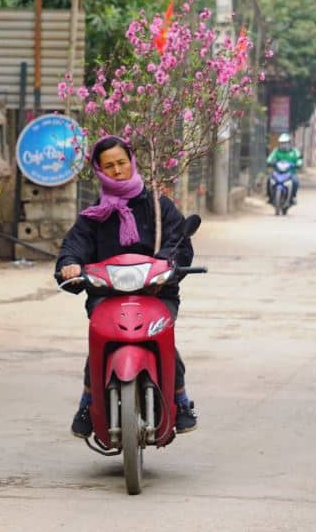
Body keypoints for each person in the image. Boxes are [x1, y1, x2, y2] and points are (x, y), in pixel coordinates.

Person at [55, 136, 197, 438]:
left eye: (121, 163)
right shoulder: (93, 214)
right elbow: (74, 245)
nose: (117, 170)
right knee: (100, 341)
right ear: (99, 171)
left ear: (131, 162)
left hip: (156, 291)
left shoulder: (159, 206)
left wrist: (166, 266)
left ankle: (180, 399)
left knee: (163, 336)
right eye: (109, 166)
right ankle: (87, 401)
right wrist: (70, 264)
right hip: (107, 295)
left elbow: (179, 241)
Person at [266, 133, 302, 204]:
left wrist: (297, 164)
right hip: (278, 172)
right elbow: (270, 158)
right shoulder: (276, 151)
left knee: (295, 181)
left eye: (285, 143)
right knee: (269, 179)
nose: (283, 145)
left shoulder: (294, 151)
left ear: (289, 143)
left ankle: (293, 197)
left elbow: (299, 159)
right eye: (282, 143)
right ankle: (270, 197)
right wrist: (270, 162)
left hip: (291, 173)